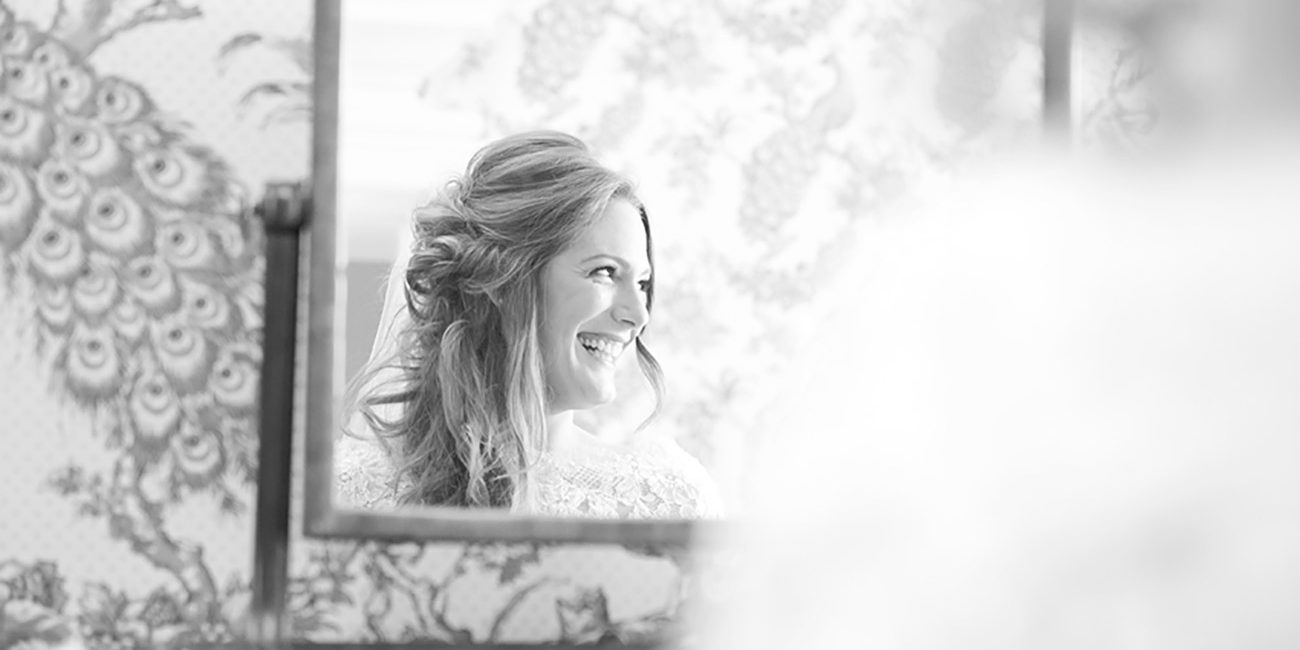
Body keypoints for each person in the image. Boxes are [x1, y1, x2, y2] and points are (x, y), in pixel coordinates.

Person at [335, 131, 722, 519]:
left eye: (642, 283)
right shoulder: (352, 490)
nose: (638, 315)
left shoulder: (670, 500)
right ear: (505, 282)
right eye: (605, 272)